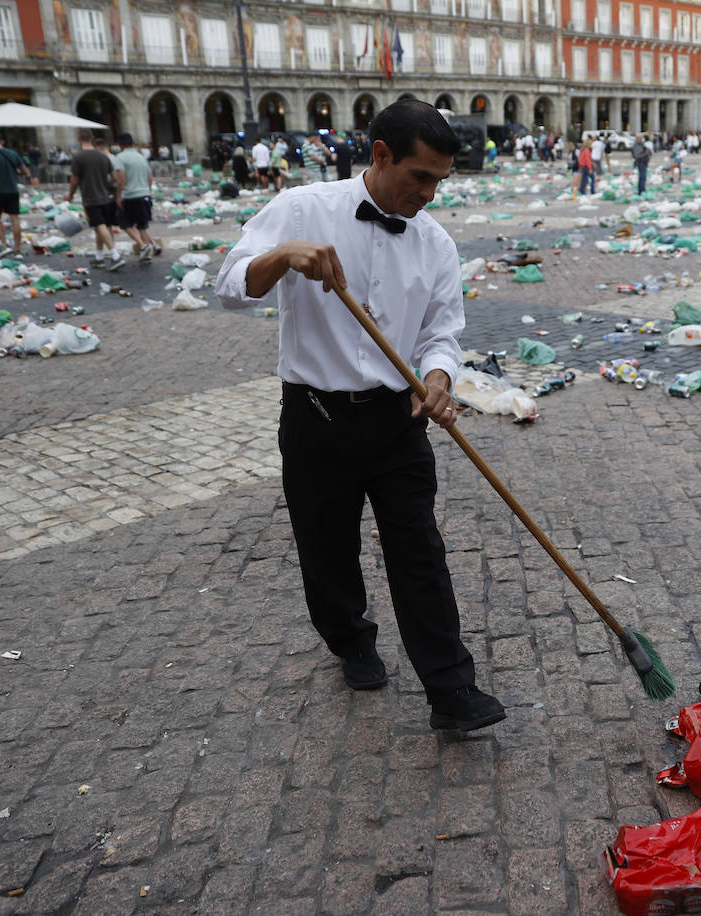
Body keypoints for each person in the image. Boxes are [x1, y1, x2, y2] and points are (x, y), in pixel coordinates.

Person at [214, 99, 505, 733]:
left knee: (419, 550)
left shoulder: (435, 242)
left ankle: (451, 688)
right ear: (380, 154)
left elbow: (442, 333)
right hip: (315, 416)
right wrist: (282, 256)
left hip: (398, 419)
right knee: (327, 550)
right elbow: (230, 286)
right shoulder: (301, 208)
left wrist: (437, 378)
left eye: (439, 181)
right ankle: (350, 640)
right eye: (420, 177)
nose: (429, 194)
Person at [68, 128, 124, 270]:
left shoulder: (78, 158)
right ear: (92, 139)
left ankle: (115, 255)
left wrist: (70, 195)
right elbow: (114, 177)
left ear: (79, 139)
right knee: (101, 226)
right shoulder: (103, 156)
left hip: (90, 198)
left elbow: (74, 180)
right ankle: (99, 257)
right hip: (105, 197)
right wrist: (103, 183)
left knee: (99, 225)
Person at [0, 132, 31, 257]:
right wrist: (14, 174)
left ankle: (4, 245)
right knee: (15, 219)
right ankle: (17, 248)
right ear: (2, 142)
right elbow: (25, 172)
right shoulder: (13, 154)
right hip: (13, 191)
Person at [114, 132, 161, 262]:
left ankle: (143, 245)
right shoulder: (141, 157)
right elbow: (150, 177)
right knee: (142, 225)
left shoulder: (120, 157)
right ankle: (147, 253)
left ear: (120, 145)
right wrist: (147, 190)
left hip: (130, 195)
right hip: (144, 195)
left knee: (124, 223)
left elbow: (121, 178)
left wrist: (118, 196)